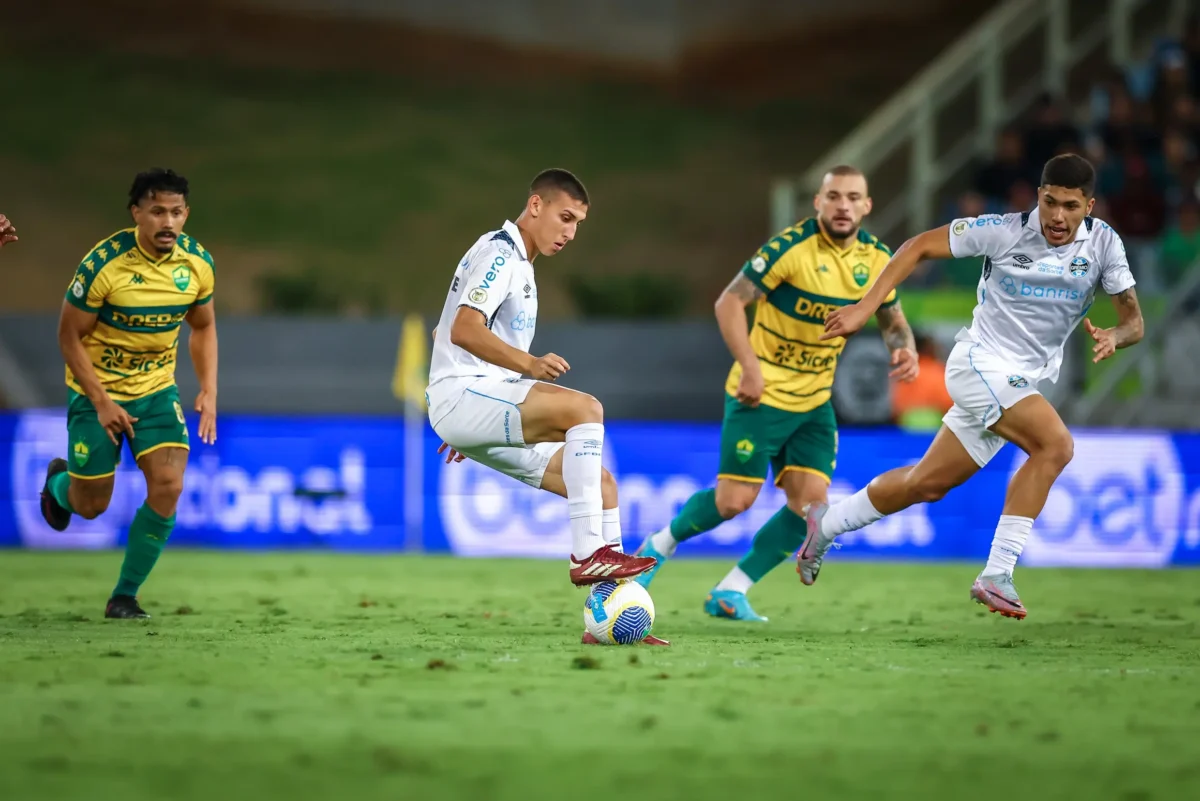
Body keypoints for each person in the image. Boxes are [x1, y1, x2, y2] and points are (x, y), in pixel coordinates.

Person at [801, 154, 1144, 619]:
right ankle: (997, 573)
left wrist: (1115, 336)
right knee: (1055, 446)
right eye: (1049, 202)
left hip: (1018, 381)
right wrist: (865, 308)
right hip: (979, 364)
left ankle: (827, 523)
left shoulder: (1104, 245)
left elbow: (1134, 322)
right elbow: (918, 246)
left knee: (926, 484)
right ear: (1037, 196)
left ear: (1089, 206)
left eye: (1070, 205)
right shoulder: (1003, 230)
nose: (1057, 216)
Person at [633, 166, 918, 622]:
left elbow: (893, 319)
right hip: (759, 394)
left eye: (853, 198)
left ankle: (731, 590)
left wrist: (905, 351)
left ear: (866, 206)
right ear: (818, 203)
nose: (843, 205)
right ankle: (655, 547)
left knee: (811, 508)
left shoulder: (877, 259)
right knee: (732, 503)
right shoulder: (790, 249)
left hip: (814, 404)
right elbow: (728, 302)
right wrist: (749, 367)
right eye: (834, 196)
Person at [424, 168, 668, 646]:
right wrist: (526, 365)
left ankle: (612, 616)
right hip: (463, 396)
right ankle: (587, 555)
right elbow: (463, 329)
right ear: (535, 205)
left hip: (473, 402)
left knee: (601, 484)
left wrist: (479, 420)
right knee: (585, 410)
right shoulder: (501, 252)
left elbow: (443, 331)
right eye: (565, 217)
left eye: (578, 223)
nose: (570, 233)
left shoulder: (522, 265)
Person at [39, 169, 218, 620]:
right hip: (95, 390)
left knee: (169, 484)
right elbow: (68, 336)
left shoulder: (197, 264)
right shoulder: (103, 264)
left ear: (187, 214)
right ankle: (58, 485)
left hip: (156, 390)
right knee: (91, 505)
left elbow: (203, 326)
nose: (168, 222)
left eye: (177, 212)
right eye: (157, 211)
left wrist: (209, 389)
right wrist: (101, 401)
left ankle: (125, 595)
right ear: (137, 213)